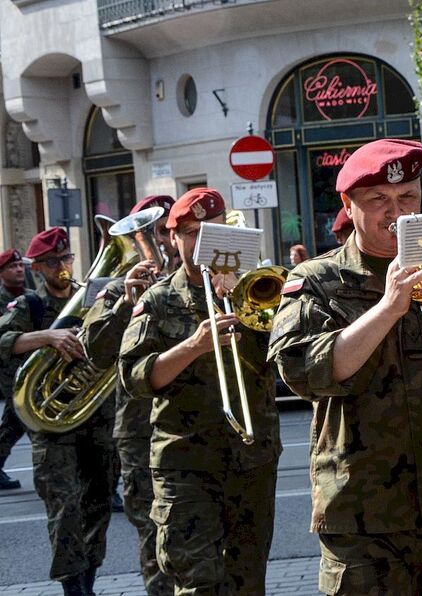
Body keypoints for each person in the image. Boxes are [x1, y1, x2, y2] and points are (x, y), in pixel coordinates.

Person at [268, 139, 422, 594]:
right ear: (349, 206)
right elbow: (303, 372)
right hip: (362, 512)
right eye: (379, 201)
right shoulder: (316, 280)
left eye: (408, 197)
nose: (398, 212)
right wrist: (389, 307)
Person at [119, 188, 282, 595]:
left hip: (252, 457)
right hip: (185, 462)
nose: (201, 242)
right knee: (197, 582)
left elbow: (286, 359)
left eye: (210, 230)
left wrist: (250, 309)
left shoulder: (256, 289)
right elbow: (135, 377)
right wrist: (193, 346)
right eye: (190, 232)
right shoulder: (157, 300)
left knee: (249, 580)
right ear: (172, 239)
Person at [0, 228, 117, 595]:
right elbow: (3, 341)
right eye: (53, 262)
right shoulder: (29, 306)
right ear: (38, 268)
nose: (63, 267)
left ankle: (90, 581)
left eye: (66, 259)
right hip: (53, 428)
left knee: (97, 507)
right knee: (65, 511)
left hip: (97, 419)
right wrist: (47, 337)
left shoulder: (92, 299)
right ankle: (73, 588)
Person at [81, 195, 177, 595]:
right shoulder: (115, 288)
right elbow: (95, 352)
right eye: (154, 234)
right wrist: (125, 304)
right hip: (142, 431)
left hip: (199, 426)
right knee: (155, 542)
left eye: (168, 232)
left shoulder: (207, 278)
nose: (163, 243)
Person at [0, 248, 32, 489]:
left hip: (32, 366)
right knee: (28, 418)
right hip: (9, 369)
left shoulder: (32, 296)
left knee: (13, 422)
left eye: (20, 265)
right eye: (13, 267)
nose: (19, 269)